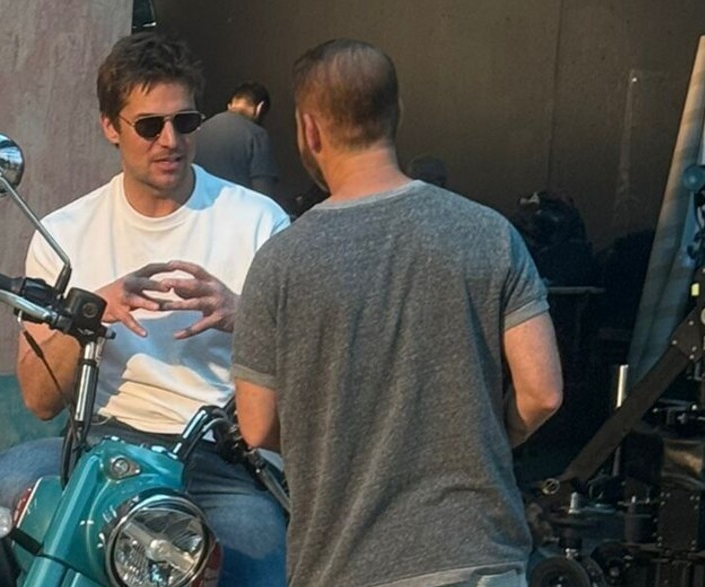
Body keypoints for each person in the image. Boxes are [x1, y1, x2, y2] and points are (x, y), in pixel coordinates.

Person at [0, 32, 290, 587]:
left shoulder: (258, 221)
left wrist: (246, 317)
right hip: (99, 444)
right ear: (110, 126)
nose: (170, 141)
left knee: (256, 555)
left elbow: (307, 374)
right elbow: (39, 400)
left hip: (219, 454)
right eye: (149, 126)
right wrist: (90, 313)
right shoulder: (65, 232)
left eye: (185, 122)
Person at [232, 39, 563, 587]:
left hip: (345, 565)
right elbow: (543, 392)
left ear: (309, 129)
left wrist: (338, 441)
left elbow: (258, 423)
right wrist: (481, 439)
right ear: (397, 114)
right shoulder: (489, 234)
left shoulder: (280, 262)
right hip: (479, 555)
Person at [194, 81, 279, 197]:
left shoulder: (199, 131)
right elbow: (263, 193)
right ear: (260, 108)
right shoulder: (257, 135)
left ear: (230, 106)